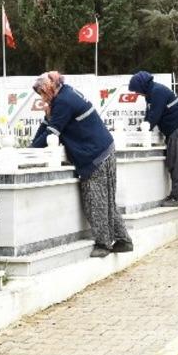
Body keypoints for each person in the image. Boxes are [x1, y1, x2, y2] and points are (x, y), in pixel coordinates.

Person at [30, 71, 133, 258]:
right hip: (105, 149)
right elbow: (48, 123)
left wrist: (29, 152)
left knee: (95, 202)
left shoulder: (63, 102)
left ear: (50, 87)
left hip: (94, 155)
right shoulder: (66, 93)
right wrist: (33, 144)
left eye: (43, 93)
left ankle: (103, 244)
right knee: (106, 200)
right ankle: (123, 240)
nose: (42, 98)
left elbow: (51, 133)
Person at [128, 71, 178, 207]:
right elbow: (149, 116)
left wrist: (141, 134)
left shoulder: (157, 92)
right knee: (175, 163)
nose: (137, 94)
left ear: (142, 86)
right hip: (177, 129)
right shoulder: (151, 94)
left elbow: (154, 116)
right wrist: (141, 132)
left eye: (137, 90)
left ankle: (175, 198)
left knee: (177, 163)